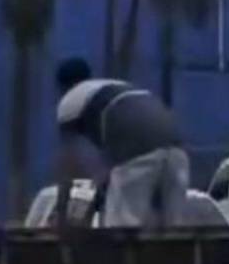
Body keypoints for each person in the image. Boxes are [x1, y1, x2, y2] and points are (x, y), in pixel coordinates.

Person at [54, 58, 188, 228]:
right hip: (176, 149)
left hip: (137, 151)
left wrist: (61, 215)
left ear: (62, 87)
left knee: (120, 229)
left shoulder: (69, 101)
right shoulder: (114, 87)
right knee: (173, 230)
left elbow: (68, 163)